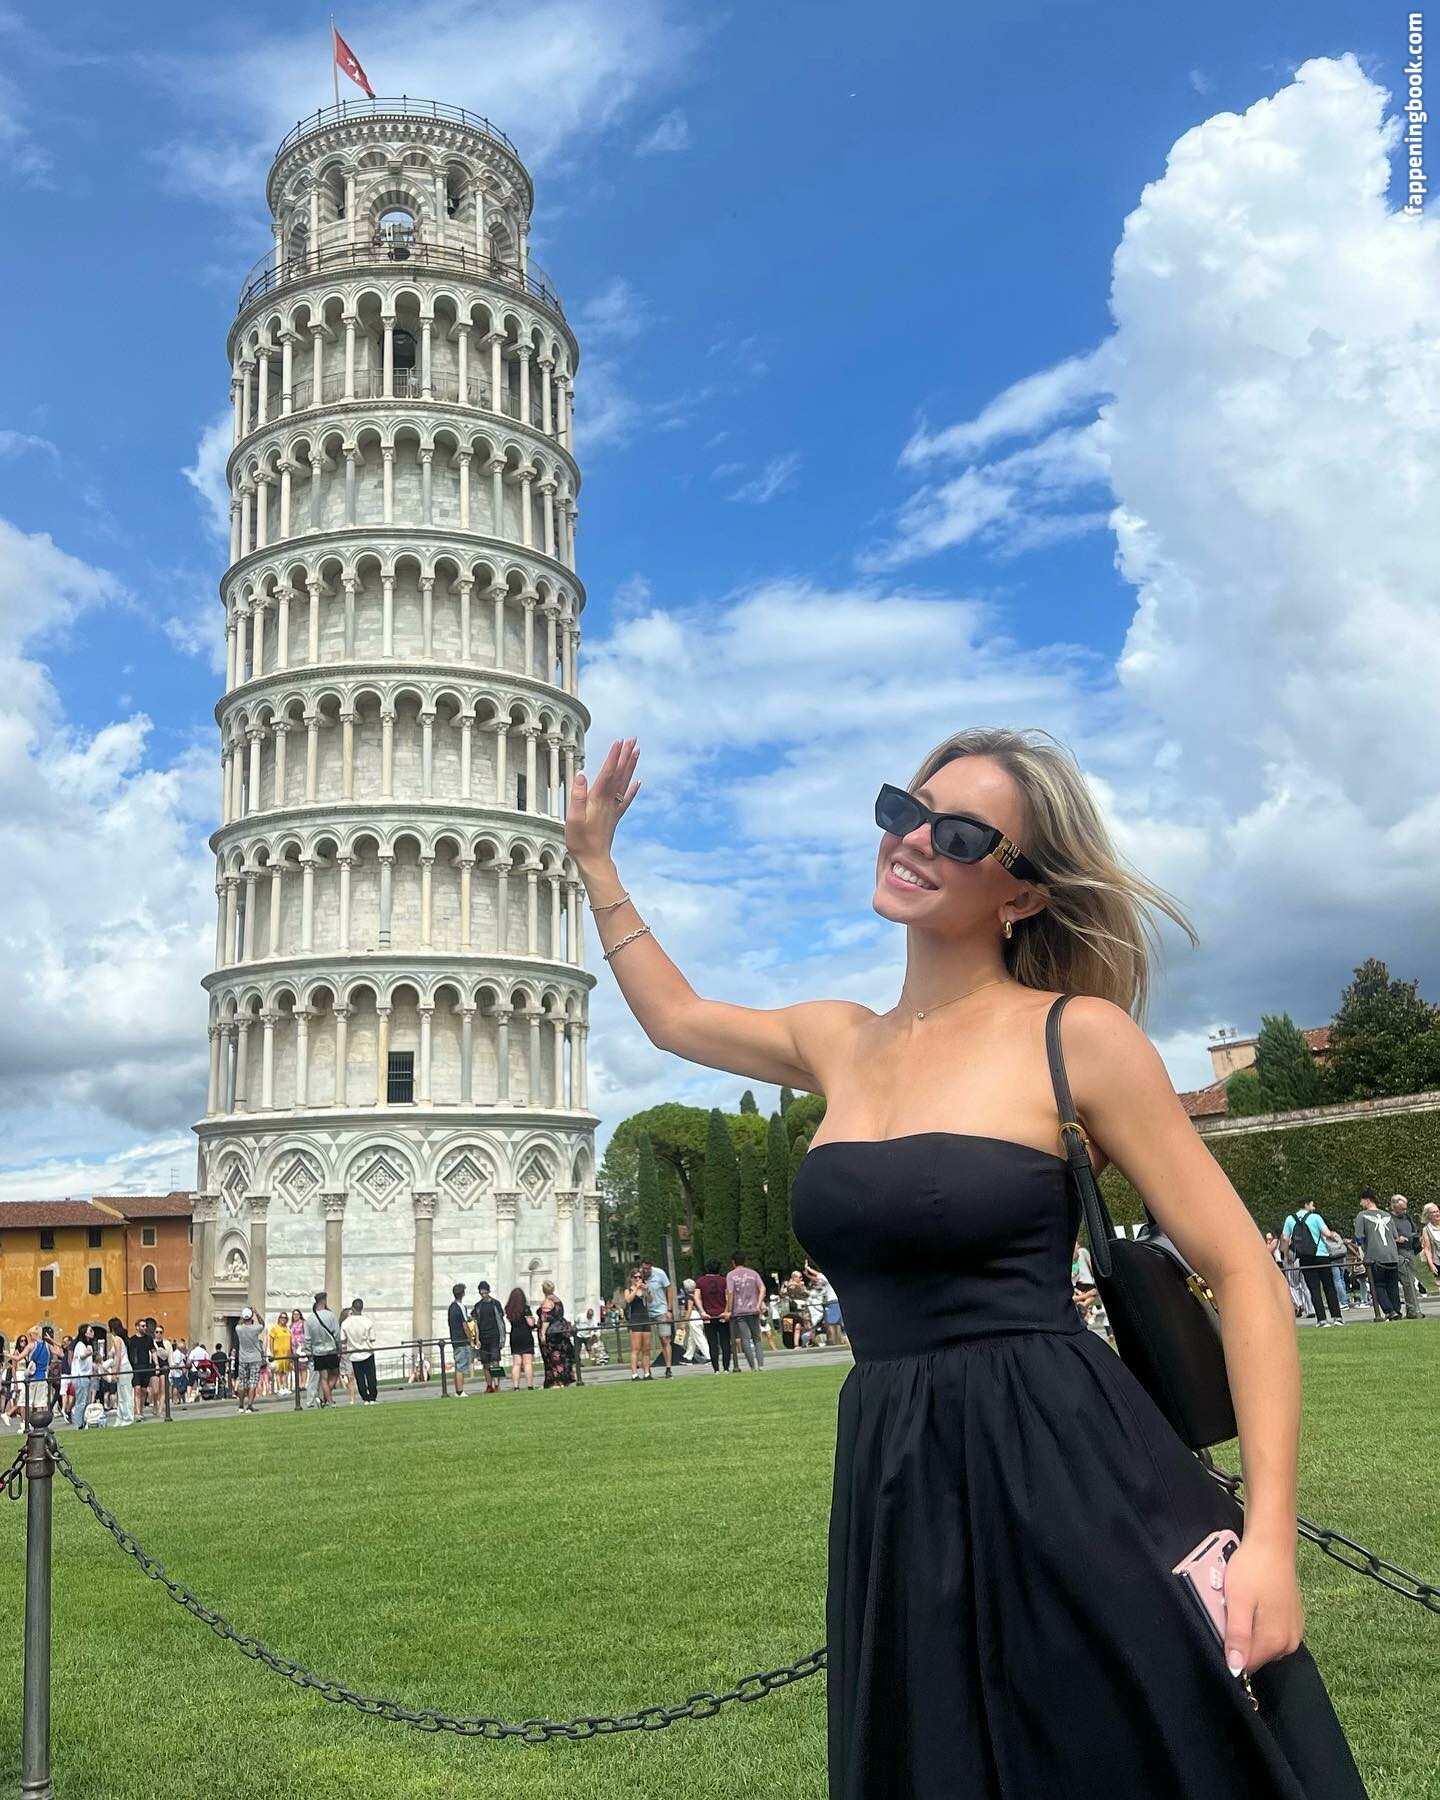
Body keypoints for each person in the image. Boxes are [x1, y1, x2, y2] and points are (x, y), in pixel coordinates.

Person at [567, 728, 1369, 1796]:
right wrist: (597, 862)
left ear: (1022, 894)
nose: (913, 839)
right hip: (894, 1466)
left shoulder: (1078, 1037)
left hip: (1066, 1458)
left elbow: (1245, 1272)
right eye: (905, 809)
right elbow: (675, 1019)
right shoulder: (837, 1038)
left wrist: (1269, 1540)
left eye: (959, 834)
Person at [1280, 1201, 1345, 1328]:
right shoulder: (1315, 1217)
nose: (1313, 1208)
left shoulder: (1290, 1219)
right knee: (1329, 1287)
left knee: (1314, 1289)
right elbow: (1327, 1233)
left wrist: (1287, 1256)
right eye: (1312, 1205)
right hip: (1321, 1255)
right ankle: (1337, 1317)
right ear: (1306, 1205)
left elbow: (1285, 1238)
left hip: (1304, 1257)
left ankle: (1321, 1320)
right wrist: (1335, 1238)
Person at [1352, 1191, 1402, 1322]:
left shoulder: (1362, 1215)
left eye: (1361, 1201)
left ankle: (1389, 1310)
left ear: (1367, 1200)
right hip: (1392, 1254)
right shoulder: (1387, 1215)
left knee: (1378, 1285)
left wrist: (1362, 1252)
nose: (1360, 1204)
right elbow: (1395, 1236)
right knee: (1392, 1285)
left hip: (1375, 1255)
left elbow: (1359, 1237)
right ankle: (1396, 1309)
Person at [725, 1252, 766, 1370]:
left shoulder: (731, 1275)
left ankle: (752, 1366)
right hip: (753, 1309)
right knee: (757, 1338)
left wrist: (729, 1310)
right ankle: (761, 1365)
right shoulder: (753, 1273)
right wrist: (758, 1304)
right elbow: (762, 1288)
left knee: (745, 1339)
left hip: (739, 1310)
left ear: (733, 1262)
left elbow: (730, 1293)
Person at [1388, 1196, 1424, 1318]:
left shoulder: (1407, 1217)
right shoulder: (1389, 1219)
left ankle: (1412, 1309)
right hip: (1399, 1252)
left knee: (1411, 1281)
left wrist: (1416, 1237)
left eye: (1405, 1208)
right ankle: (1413, 1310)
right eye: (1402, 1209)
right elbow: (1386, 1237)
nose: (1404, 1211)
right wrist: (1397, 1239)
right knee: (1407, 1281)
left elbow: (1413, 1230)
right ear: (1394, 1207)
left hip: (1410, 1251)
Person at [638, 1256, 675, 1376]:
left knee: (664, 1339)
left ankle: (668, 1368)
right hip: (645, 1311)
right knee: (645, 1343)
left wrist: (669, 1309)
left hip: (661, 1309)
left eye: (648, 1269)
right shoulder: (638, 1276)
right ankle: (647, 1369)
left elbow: (669, 1289)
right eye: (644, 1269)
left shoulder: (660, 1274)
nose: (646, 1271)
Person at [306, 1291, 343, 1406]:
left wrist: (308, 1352)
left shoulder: (310, 1319)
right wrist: (339, 1346)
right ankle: (326, 1399)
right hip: (331, 1349)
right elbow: (337, 1333)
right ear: (324, 1301)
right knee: (335, 1374)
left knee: (323, 1377)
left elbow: (307, 1338)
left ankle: (327, 1400)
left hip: (317, 1351)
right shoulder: (330, 1315)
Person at [535, 1280, 575, 1387]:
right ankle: (564, 1378)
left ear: (543, 1290)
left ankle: (556, 1380)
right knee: (562, 1356)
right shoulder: (557, 1300)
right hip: (560, 1332)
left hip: (551, 1334)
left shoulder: (547, 1302)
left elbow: (546, 1320)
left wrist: (542, 1334)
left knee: (552, 1357)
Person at [694, 1263, 731, 1371]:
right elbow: (728, 1297)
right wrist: (726, 1311)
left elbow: (697, 1297)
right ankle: (726, 1368)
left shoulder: (700, 1281)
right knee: (725, 1342)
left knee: (712, 1343)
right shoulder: (724, 1281)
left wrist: (702, 1312)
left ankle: (716, 1369)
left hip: (708, 1316)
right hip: (722, 1314)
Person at [471, 1281, 506, 1394]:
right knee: (485, 1363)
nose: (483, 1295)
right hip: (483, 1337)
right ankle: (489, 1385)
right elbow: (474, 1322)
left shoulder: (495, 1304)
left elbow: (501, 1321)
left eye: (485, 1293)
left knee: (495, 1361)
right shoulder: (478, 1306)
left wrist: (502, 1338)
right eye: (481, 1293)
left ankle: (497, 1385)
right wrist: (476, 1339)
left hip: (494, 1336)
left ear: (489, 1291)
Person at [342, 1298, 378, 1403]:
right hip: (367, 1352)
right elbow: (372, 1339)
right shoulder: (368, 1321)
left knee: (360, 1378)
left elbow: (342, 1340)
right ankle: (372, 1397)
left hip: (354, 1354)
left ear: (352, 1308)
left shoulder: (345, 1323)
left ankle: (365, 1398)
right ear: (362, 1308)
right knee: (371, 1377)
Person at [622, 1269, 652, 1380]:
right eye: (635, 1277)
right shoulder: (628, 1290)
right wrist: (636, 1289)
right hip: (635, 1319)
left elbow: (650, 1300)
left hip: (645, 1318)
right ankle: (634, 1374)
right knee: (636, 1349)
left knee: (646, 1349)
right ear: (631, 1279)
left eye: (640, 1277)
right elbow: (628, 1300)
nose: (638, 1279)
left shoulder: (643, 1290)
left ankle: (647, 1373)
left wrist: (647, 1291)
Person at [505, 1287, 537, 1389]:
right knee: (527, 1363)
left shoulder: (509, 1309)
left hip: (514, 1335)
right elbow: (530, 1323)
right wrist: (533, 1319)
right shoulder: (525, 1308)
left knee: (516, 1363)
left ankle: (516, 1387)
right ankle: (530, 1385)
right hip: (525, 1335)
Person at [235, 1307, 265, 1412]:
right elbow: (262, 1324)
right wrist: (256, 1313)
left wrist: (243, 1315)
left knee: (242, 1383)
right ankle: (249, 1406)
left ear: (243, 1317)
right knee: (253, 1382)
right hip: (255, 1358)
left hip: (243, 1359)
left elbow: (239, 1323)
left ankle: (240, 1406)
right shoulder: (255, 1328)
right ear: (251, 1317)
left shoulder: (239, 1329)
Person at [447, 1282, 472, 1397]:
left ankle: (458, 1390)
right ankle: (460, 1391)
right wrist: (470, 1338)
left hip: (455, 1339)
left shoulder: (451, 1307)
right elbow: (464, 1325)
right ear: (463, 1294)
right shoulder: (461, 1307)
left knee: (458, 1366)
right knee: (461, 1367)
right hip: (462, 1340)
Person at [70, 1325, 96, 1428]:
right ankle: (78, 1424)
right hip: (80, 1376)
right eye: (90, 1330)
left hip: (85, 1375)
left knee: (85, 1401)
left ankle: (82, 1422)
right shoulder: (80, 1345)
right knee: (81, 1401)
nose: (92, 1332)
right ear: (85, 1333)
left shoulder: (86, 1345)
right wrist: (89, 1352)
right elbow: (82, 1356)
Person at [129, 1319, 155, 1421]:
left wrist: (156, 1364)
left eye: (145, 1326)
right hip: (135, 1368)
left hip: (146, 1367)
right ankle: (137, 1412)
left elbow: (153, 1351)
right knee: (137, 1389)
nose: (145, 1328)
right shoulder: (132, 1340)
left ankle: (141, 1410)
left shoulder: (149, 1339)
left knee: (144, 1390)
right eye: (142, 1326)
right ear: (137, 1327)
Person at [270, 1310, 293, 1391]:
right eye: (282, 1317)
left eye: (285, 1318)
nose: (283, 1319)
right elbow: (271, 1341)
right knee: (279, 1371)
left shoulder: (288, 1329)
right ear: (279, 1318)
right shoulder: (275, 1328)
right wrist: (272, 1352)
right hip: (278, 1353)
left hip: (287, 1353)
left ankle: (285, 1387)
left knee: (286, 1371)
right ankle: (280, 1388)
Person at [1421, 1202, 1440, 1289]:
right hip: (1437, 1260)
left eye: (1437, 1211)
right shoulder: (1427, 1229)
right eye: (1434, 1212)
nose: (1437, 1214)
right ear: (1428, 1215)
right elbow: (1427, 1248)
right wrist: (1431, 1264)